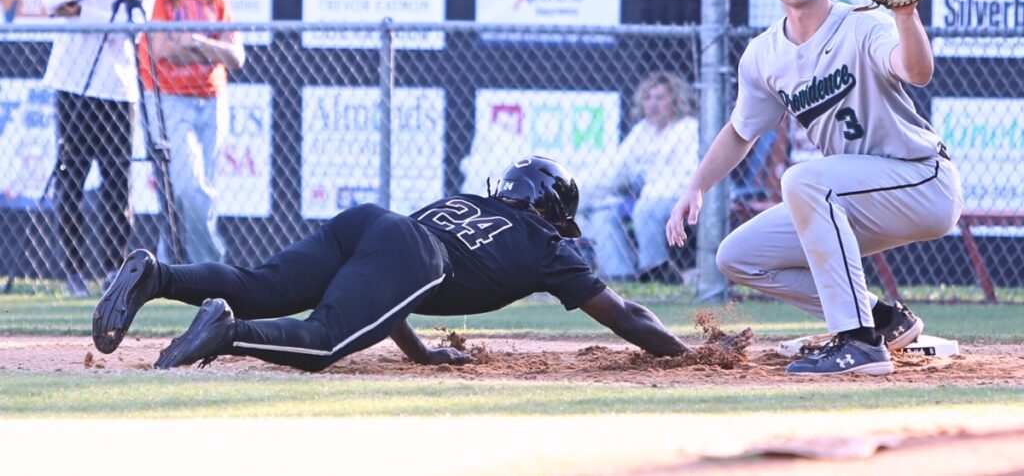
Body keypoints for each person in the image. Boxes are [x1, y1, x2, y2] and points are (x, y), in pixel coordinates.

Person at [666, 0, 963, 376]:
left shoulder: (863, 26)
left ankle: (858, 343)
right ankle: (882, 320)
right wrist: (695, 187)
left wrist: (905, 15)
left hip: (921, 181)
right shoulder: (764, 54)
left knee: (803, 179)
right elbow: (742, 131)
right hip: (853, 197)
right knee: (739, 256)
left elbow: (916, 71)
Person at [93, 156, 692, 371]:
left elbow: (389, 281)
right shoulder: (547, 246)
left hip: (375, 222)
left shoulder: (465, 201)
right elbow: (626, 315)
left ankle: (156, 275)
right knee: (325, 341)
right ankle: (227, 334)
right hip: (408, 251)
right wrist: (692, 356)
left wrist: (422, 352)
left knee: (261, 284)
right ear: (552, 210)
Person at [40, 0, 158, 297]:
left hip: (119, 87)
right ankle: (73, 270)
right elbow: (51, 0)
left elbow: (134, 28)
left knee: (117, 181)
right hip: (72, 82)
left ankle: (113, 269)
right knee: (71, 176)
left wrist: (77, 13)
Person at [137, 0, 245, 265]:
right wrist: (211, 46)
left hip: (212, 100)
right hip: (167, 99)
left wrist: (196, 41)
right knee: (188, 189)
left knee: (201, 195)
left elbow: (236, 56)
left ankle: (168, 271)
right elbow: (162, 50)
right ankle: (217, 269)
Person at [577, 71, 698, 283]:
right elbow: (614, 172)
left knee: (646, 210)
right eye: (648, 98)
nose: (653, 104)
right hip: (646, 197)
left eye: (660, 98)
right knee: (603, 213)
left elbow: (688, 177)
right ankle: (620, 278)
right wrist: (578, 191)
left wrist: (648, 193)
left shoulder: (688, 128)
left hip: (677, 196)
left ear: (675, 100)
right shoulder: (642, 130)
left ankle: (655, 277)